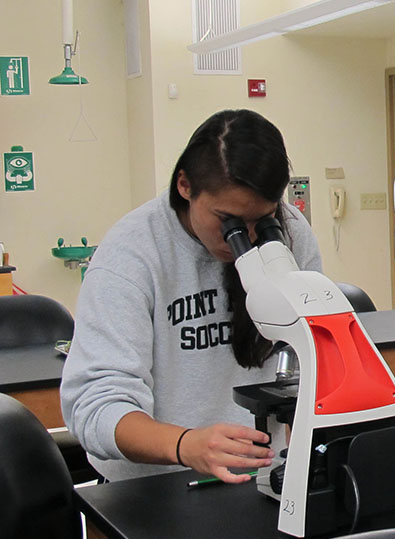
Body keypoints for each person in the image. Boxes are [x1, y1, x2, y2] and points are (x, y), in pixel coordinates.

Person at [61, 109, 322, 482]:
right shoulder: (131, 255)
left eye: (260, 221)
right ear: (184, 185)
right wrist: (186, 445)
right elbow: (95, 408)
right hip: (152, 485)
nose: (247, 238)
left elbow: (310, 354)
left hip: (260, 476)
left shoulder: (291, 232)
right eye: (229, 220)